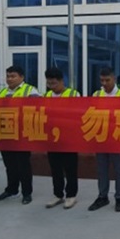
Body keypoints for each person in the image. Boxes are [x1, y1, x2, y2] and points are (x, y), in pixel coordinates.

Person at [0, 65, 41, 205]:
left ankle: (27, 193)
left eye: (13, 76)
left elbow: (38, 108)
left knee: (23, 164)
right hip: (5, 133)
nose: (10, 79)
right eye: (8, 76)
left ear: (22, 77)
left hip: (22, 134)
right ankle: (11, 189)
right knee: (9, 164)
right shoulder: (2, 92)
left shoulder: (30, 90)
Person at [89, 67, 120, 213]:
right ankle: (102, 196)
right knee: (101, 169)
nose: (104, 83)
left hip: (117, 137)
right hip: (101, 137)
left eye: (107, 80)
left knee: (118, 169)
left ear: (114, 79)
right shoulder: (96, 94)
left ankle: (119, 197)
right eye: (102, 80)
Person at [43, 67, 81, 210]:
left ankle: (71, 195)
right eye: (49, 83)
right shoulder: (46, 96)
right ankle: (58, 194)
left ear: (61, 81)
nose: (51, 86)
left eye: (54, 83)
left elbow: (78, 115)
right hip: (52, 139)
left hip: (69, 138)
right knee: (55, 168)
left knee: (70, 168)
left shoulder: (73, 94)